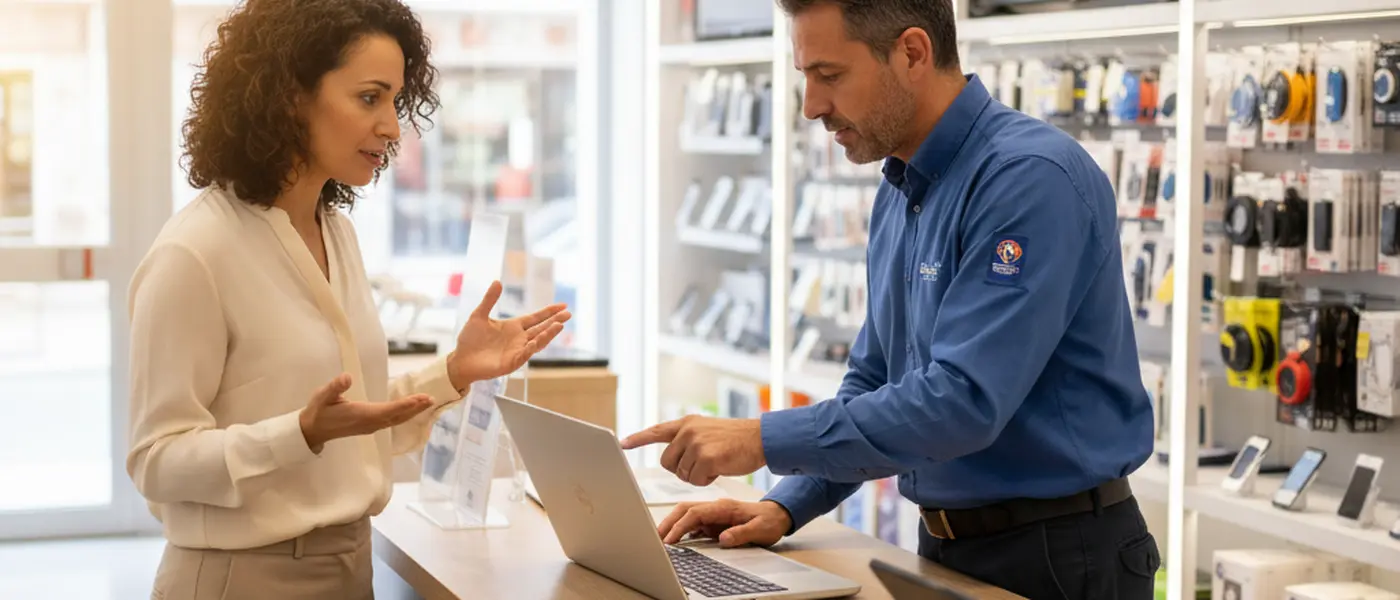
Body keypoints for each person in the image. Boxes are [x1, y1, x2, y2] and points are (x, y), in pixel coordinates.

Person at [621, 0, 1160, 598]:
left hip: (1061, 557)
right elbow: (876, 381)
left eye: (829, 76)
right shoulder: (901, 188)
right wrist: (786, 505)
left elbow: (962, 401)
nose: (811, 106)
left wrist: (759, 438)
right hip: (945, 547)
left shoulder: (1029, 179)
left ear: (912, 53)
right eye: (806, 78)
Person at [127, 1, 571, 598]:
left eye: (395, 101)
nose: (392, 126)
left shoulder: (334, 231)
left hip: (348, 566)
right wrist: (298, 434)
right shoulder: (196, 252)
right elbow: (156, 461)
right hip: (241, 578)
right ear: (288, 95)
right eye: (369, 98)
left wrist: (455, 372)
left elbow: (355, 425)